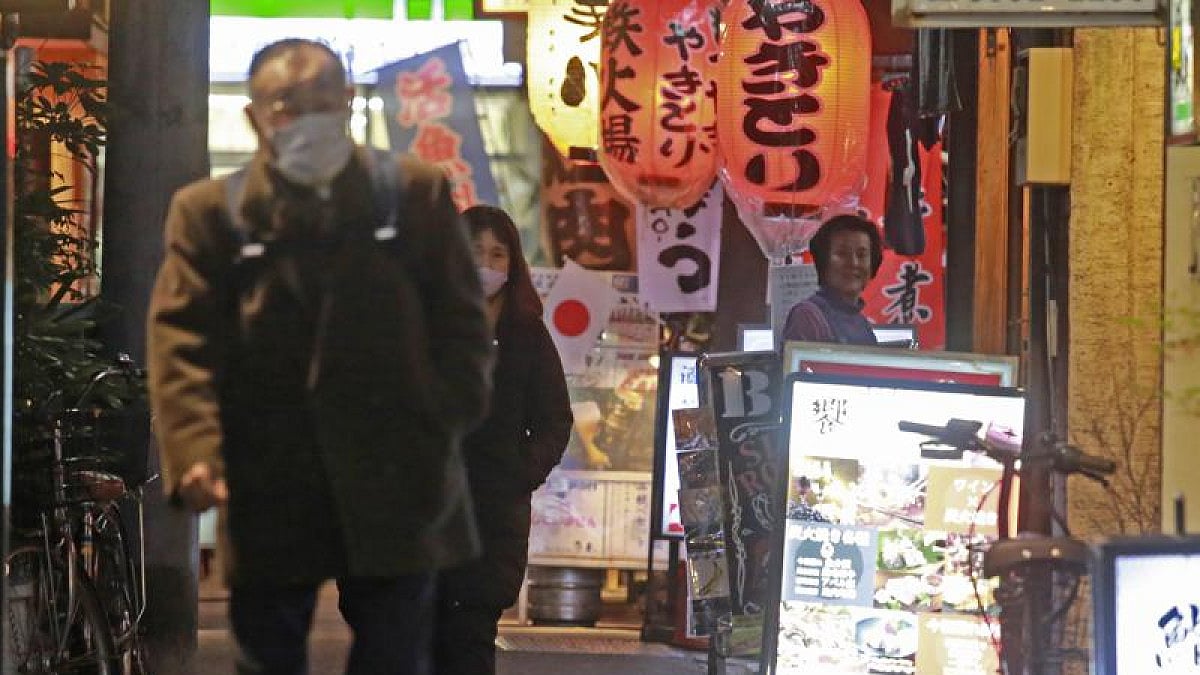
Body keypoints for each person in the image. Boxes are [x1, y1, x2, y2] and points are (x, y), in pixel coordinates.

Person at [146, 38, 493, 675]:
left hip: (401, 477)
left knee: (396, 657)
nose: (306, 117)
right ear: (254, 116)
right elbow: (182, 339)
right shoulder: (210, 212)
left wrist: (442, 418)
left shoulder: (410, 193)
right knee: (266, 657)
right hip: (268, 475)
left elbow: (462, 322)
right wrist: (195, 450)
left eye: (321, 101)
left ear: (349, 104)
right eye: (286, 105)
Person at [433, 205, 573, 675]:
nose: (486, 266)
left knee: (470, 640)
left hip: (493, 519)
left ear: (512, 265)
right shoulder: (426, 327)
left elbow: (555, 420)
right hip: (425, 513)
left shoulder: (527, 334)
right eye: (474, 253)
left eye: (498, 255)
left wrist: (518, 474)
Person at [781, 214, 885, 345]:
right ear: (823, 261)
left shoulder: (862, 323)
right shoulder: (808, 316)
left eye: (861, 255)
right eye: (842, 253)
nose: (853, 263)